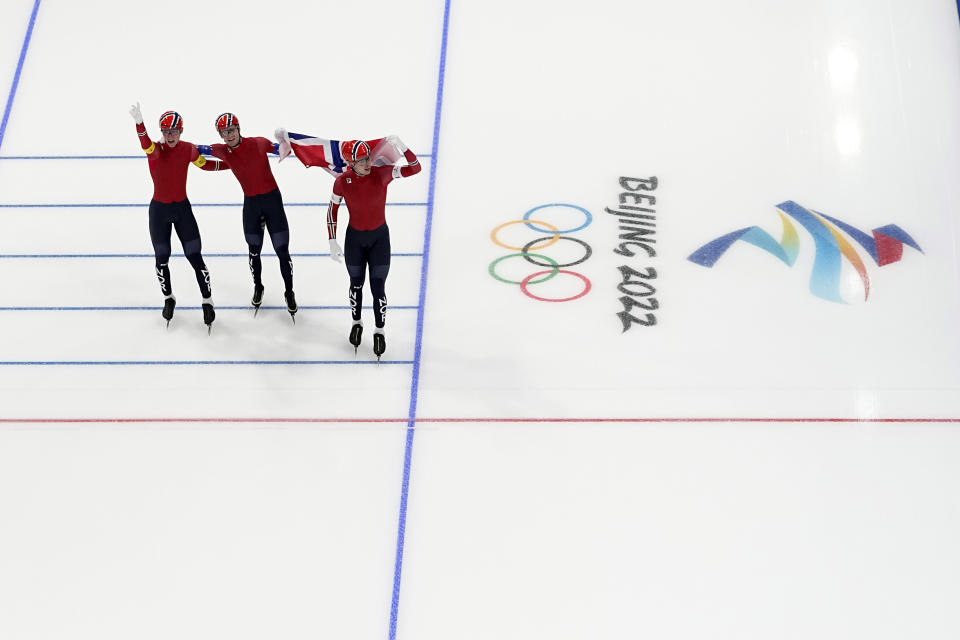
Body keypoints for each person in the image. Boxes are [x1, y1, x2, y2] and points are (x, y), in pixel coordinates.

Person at [129, 102, 225, 333]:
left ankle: (207, 300)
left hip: (182, 210)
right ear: (161, 133)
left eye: (174, 131)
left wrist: (231, 165)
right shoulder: (155, 151)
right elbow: (145, 143)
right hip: (159, 212)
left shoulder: (188, 149)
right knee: (162, 257)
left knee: (195, 256)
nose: (170, 136)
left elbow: (204, 165)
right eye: (166, 132)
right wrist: (139, 123)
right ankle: (168, 298)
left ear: (181, 131)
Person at [326, 136, 421, 360]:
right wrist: (332, 239)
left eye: (368, 158)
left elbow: (415, 168)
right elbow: (332, 210)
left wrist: (403, 147)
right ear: (350, 163)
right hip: (355, 241)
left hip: (379, 239)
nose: (368, 164)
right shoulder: (342, 181)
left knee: (378, 288)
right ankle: (357, 323)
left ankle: (379, 331)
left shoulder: (382, 173)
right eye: (361, 161)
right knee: (356, 285)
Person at [200, 113, 297, 321]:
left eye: (231, 130)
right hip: (252, 205)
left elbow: (283, 151)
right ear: (220, 135)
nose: (228, 136)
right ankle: (258, 286)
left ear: (239, 128)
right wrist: (177, 152)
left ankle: (289, 292)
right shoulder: (221, 151)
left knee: (282, 250)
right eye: (224, 133)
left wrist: (284, 141)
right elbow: (195, 151)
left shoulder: (258, 143)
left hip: (272, 202)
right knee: (254, 251)